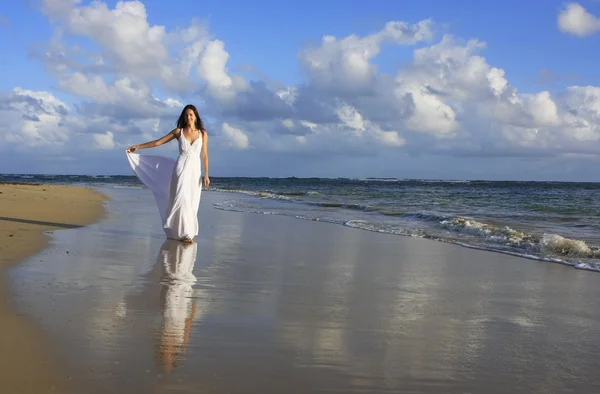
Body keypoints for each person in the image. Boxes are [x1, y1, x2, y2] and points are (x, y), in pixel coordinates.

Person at [126, 104, 209, 244]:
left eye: (191, 115)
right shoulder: (179, 132)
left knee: (191, 201)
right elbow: (158, 142)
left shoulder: (202, 133)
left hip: (195, 171)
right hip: (181, 168)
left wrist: (206, 174)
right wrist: (138, 146)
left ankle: (181, 231)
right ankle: (186, 235)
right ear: (184, 117)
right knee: (181, 198)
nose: (188, 117)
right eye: (186, 115)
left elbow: (205, 155)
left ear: (196, 117)